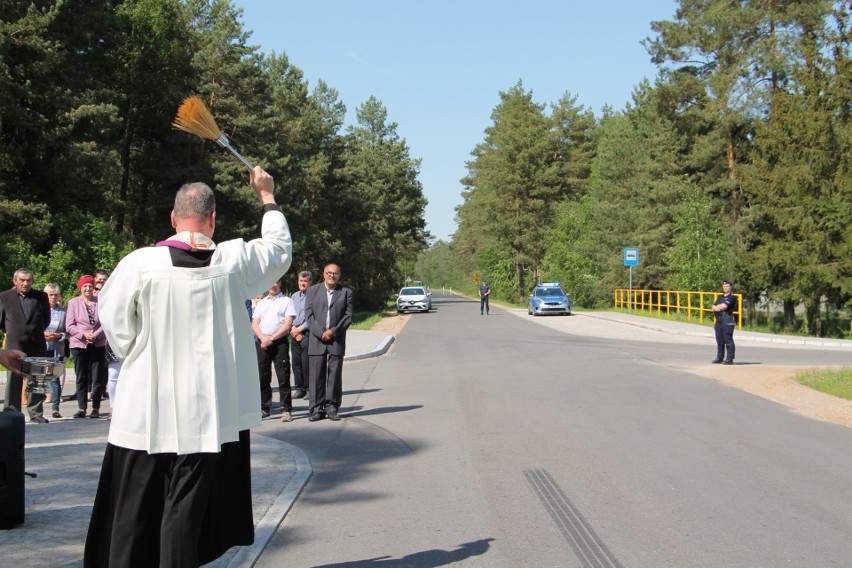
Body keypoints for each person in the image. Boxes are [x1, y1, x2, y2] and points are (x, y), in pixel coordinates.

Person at [84, 166, 292, 568]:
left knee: (132, 511)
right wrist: (267, 196)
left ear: (172, 218)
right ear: (213, 220)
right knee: (184, 512)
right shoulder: (234, 260)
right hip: (205, 414)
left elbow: (115, 324)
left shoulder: (140, 263)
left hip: (146, 409)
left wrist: (141, 353)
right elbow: (279, 250)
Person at [0, 268, 51, 423]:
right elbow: (1, 322)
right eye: (22, 280)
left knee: (36, 380)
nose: (25, 283)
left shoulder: (41, 297)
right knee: (14, 379)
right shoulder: (4, 297)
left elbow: (46, 320)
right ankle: (11, 411)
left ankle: (36, 413)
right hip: (14, 344)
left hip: (36, 343)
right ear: (15, 281)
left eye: (28, 280)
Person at [304, 263, 353, 422]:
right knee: (316, 376)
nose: (332, 276)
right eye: (329, 273)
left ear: (339, 275)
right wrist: (320, 332)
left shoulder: (346, 293)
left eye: (335, 273)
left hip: (336, 340)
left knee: (334, 375)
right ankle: (317, 409)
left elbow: (348, 317)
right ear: (324, 274)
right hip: (317, 339)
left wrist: (333, 331)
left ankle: (332, 407)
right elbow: (309, 315)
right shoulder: (312, 291)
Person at [251, 278, 296, 421]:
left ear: (280, 284)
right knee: (263, 377)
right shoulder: (262, 303)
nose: (273, 285)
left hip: (279, 343)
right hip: (262, 343)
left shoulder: (287, 301)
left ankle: (286, 409)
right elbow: (255, 323)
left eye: (275, 282)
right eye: (270, 282)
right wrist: (263, 338)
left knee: (283, 376)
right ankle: (264, 408)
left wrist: (272, 338)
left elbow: (288, 325)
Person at [66, 275, 106, 418]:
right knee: (81, 376)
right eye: (85, 286)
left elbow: (105, 322)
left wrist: (95, 334)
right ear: (80, 288)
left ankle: (96, 408)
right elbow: (69, 325)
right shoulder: (73, 303)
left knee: (97, 377)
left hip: (97, 342)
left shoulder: (100, 302)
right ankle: (82, 407)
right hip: (79, 344)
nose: (88, 288)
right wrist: (83, 334)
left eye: (90, 286)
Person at [43, 283, 68, 419]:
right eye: (50, 295)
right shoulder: (40, 310)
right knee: (38, 379)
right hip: (42, 347)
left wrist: (58, 336)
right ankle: (36, 410)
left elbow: (68, 332)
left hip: (56, 348)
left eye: (55, 295)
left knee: (54, 378)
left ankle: (55, 408)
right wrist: (42, 335)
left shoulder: (63, 312)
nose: (53, 297)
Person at [289, 270, 312, 401]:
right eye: (301, 281)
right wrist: (293, 329)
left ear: (310, 282)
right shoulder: (294, 296)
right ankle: (299, 388)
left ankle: (309, 389)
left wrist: (300, 329)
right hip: (293, 332)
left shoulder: (313, 296)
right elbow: (290, 314)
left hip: (306, 332)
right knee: (296, 362)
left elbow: (313, 316)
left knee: (306, 362)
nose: (303, 283)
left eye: (305, 281)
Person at [712, 278, 738, 365]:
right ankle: (720, 357)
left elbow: (724, 307)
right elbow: (713, 307)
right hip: (719, 319)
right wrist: (717, 307)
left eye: (727, 286)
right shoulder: (720, 297)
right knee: (719, 339)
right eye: (724, 286)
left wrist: (718, 307)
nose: (725, 288)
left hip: (727, 319)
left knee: (727, 339)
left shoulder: (732, 297)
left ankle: (729, 359)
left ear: (730, 287)